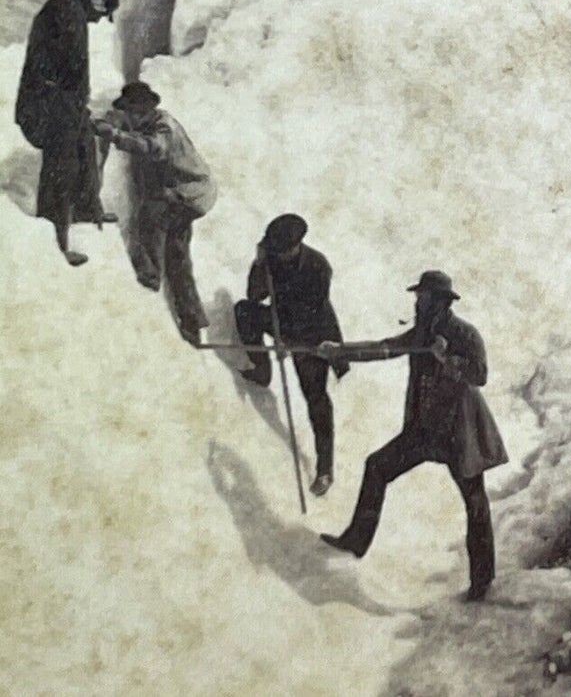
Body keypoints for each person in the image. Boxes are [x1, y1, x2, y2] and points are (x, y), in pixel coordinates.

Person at [318, 270, 507, 600]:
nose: (417, 302)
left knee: (475, 503)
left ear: (440, 301)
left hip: (460, 434)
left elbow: (480, 375)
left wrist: (446, 358)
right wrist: (340, 352)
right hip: (426, 431)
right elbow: (385, 348)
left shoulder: (464, 333)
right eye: (418, 297)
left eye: (422, 297)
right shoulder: (421, 332)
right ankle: (355, 541)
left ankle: (482, 582)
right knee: (377, 466)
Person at [92, 81, 217, 344]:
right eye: (130, 112)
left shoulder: (163, 126)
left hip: (189, 194)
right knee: (178, 255)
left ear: (148, 109)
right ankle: (192, 321)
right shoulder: (145, 123)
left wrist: (114, 135)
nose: (133, 117)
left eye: (137, 112)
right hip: (183, 193)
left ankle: (148, 276)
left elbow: (153, 148)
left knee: (150, 217)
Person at [234, 214, 347, 497]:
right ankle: (262, 371)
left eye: (283, 250)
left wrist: (288, 342)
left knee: (316, 398)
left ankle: (325, 469)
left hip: (314, 337)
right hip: (284, 324)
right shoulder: (271, 257)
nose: (279, 255)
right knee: (244, 311)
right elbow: (255, 295)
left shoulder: (318, 267)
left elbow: (310, 313)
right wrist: (260, 265)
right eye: (275, 250)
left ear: (297, 246)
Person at [14, 0, 119, 267]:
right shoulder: (68, 12)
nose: (98, 21)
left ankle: (85, 208)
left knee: (85, 143)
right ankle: (54, 243)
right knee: (61, 167)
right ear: (95, 1)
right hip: (47, 107)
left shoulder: (69, 8)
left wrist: (78, 109)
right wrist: (73, 107)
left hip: (58, 102)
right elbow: (69, 71)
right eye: (101, 14)